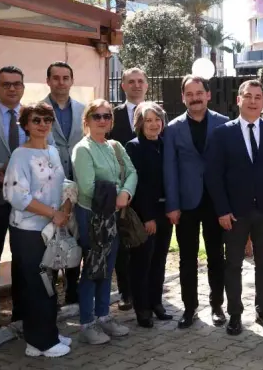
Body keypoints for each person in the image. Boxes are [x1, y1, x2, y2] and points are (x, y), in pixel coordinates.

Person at [205, 79, 263, 336]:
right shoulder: (222, 133)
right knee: (233, 264)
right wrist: (221, 209)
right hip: (234, 212)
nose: (253, 101)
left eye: (258, 97)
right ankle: (235, 314)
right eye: (248, 96)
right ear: (238, 100)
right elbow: (213, 175)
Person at [0, 66, 53, 334]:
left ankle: (22, 312)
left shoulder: (33, 117)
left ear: (23, 87)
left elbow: (47, 150)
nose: (12, 88)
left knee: (27, 258)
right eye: (6, 84)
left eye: (17, 84)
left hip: (31, 203)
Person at [3, 102, 72, 358]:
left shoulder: (53, 152)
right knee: (36, 285)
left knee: (49, 284)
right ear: (26, 125)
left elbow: (64, 182)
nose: (42, 124)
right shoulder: (20, 155)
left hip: (51, 228)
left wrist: (65, 206)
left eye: (46, 119)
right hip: (29, 231)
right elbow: (16, 194)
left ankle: (47, 333)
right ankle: (40, 342)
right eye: (36, 120)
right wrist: (53, 213)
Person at [164, 76, 228, 329]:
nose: (195, 97)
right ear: (183, 98)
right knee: (187, 258)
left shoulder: (224, 125)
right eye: (189, 94)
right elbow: (169, 169)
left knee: (216, 256)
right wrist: (172, 205)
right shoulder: (172, 128)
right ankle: (189, 308)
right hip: (186, 203)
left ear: (208, 95)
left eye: (199, 92)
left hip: (216, 202)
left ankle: (217, 307)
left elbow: (228, 167)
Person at [72, 99, 138, 344]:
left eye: (107, 116)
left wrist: (126, 193)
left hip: (113, 215)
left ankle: (103, 317)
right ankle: (87, 323)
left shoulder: (115, 146)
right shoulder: (83, 149)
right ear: (87, 120)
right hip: (93, 217)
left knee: (107, 269)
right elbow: (88, 188)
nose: (102, 121)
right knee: (92, 269)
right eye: (96, 116)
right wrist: (119, 193)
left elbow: (132, 172)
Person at [124, 102, 172, 328]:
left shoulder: (166, 145)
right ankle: (142, 308)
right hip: (146, 214)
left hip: (166, 212)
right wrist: (148, 217)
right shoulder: (133, 147)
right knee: (142, 262)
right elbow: (138, 186)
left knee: (160, 259)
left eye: (157, 120)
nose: (154, 124)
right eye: (148, 120)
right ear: (140, 123)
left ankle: (156, 303)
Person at [44, 62, 85, 305]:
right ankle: (48, 296)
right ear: (48, 81)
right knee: (49, 242)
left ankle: (72, 293)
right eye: (56, 78)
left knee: (75, 239)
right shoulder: (38, 109)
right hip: (49, 189)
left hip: (77, 189)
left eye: (65, 77)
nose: (61, 82)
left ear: (71, 80)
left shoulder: (82, 109)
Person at [109, 67, 148, 311]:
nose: (136, 85)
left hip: (149, 189)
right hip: (122, 189)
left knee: (147, 242)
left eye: (140, 81)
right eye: (131, 81)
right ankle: (126, 292)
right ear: (123, 86)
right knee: (124, 243)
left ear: (146, 85)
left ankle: (148, 290)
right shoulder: (112, 115)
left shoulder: (156, 113)